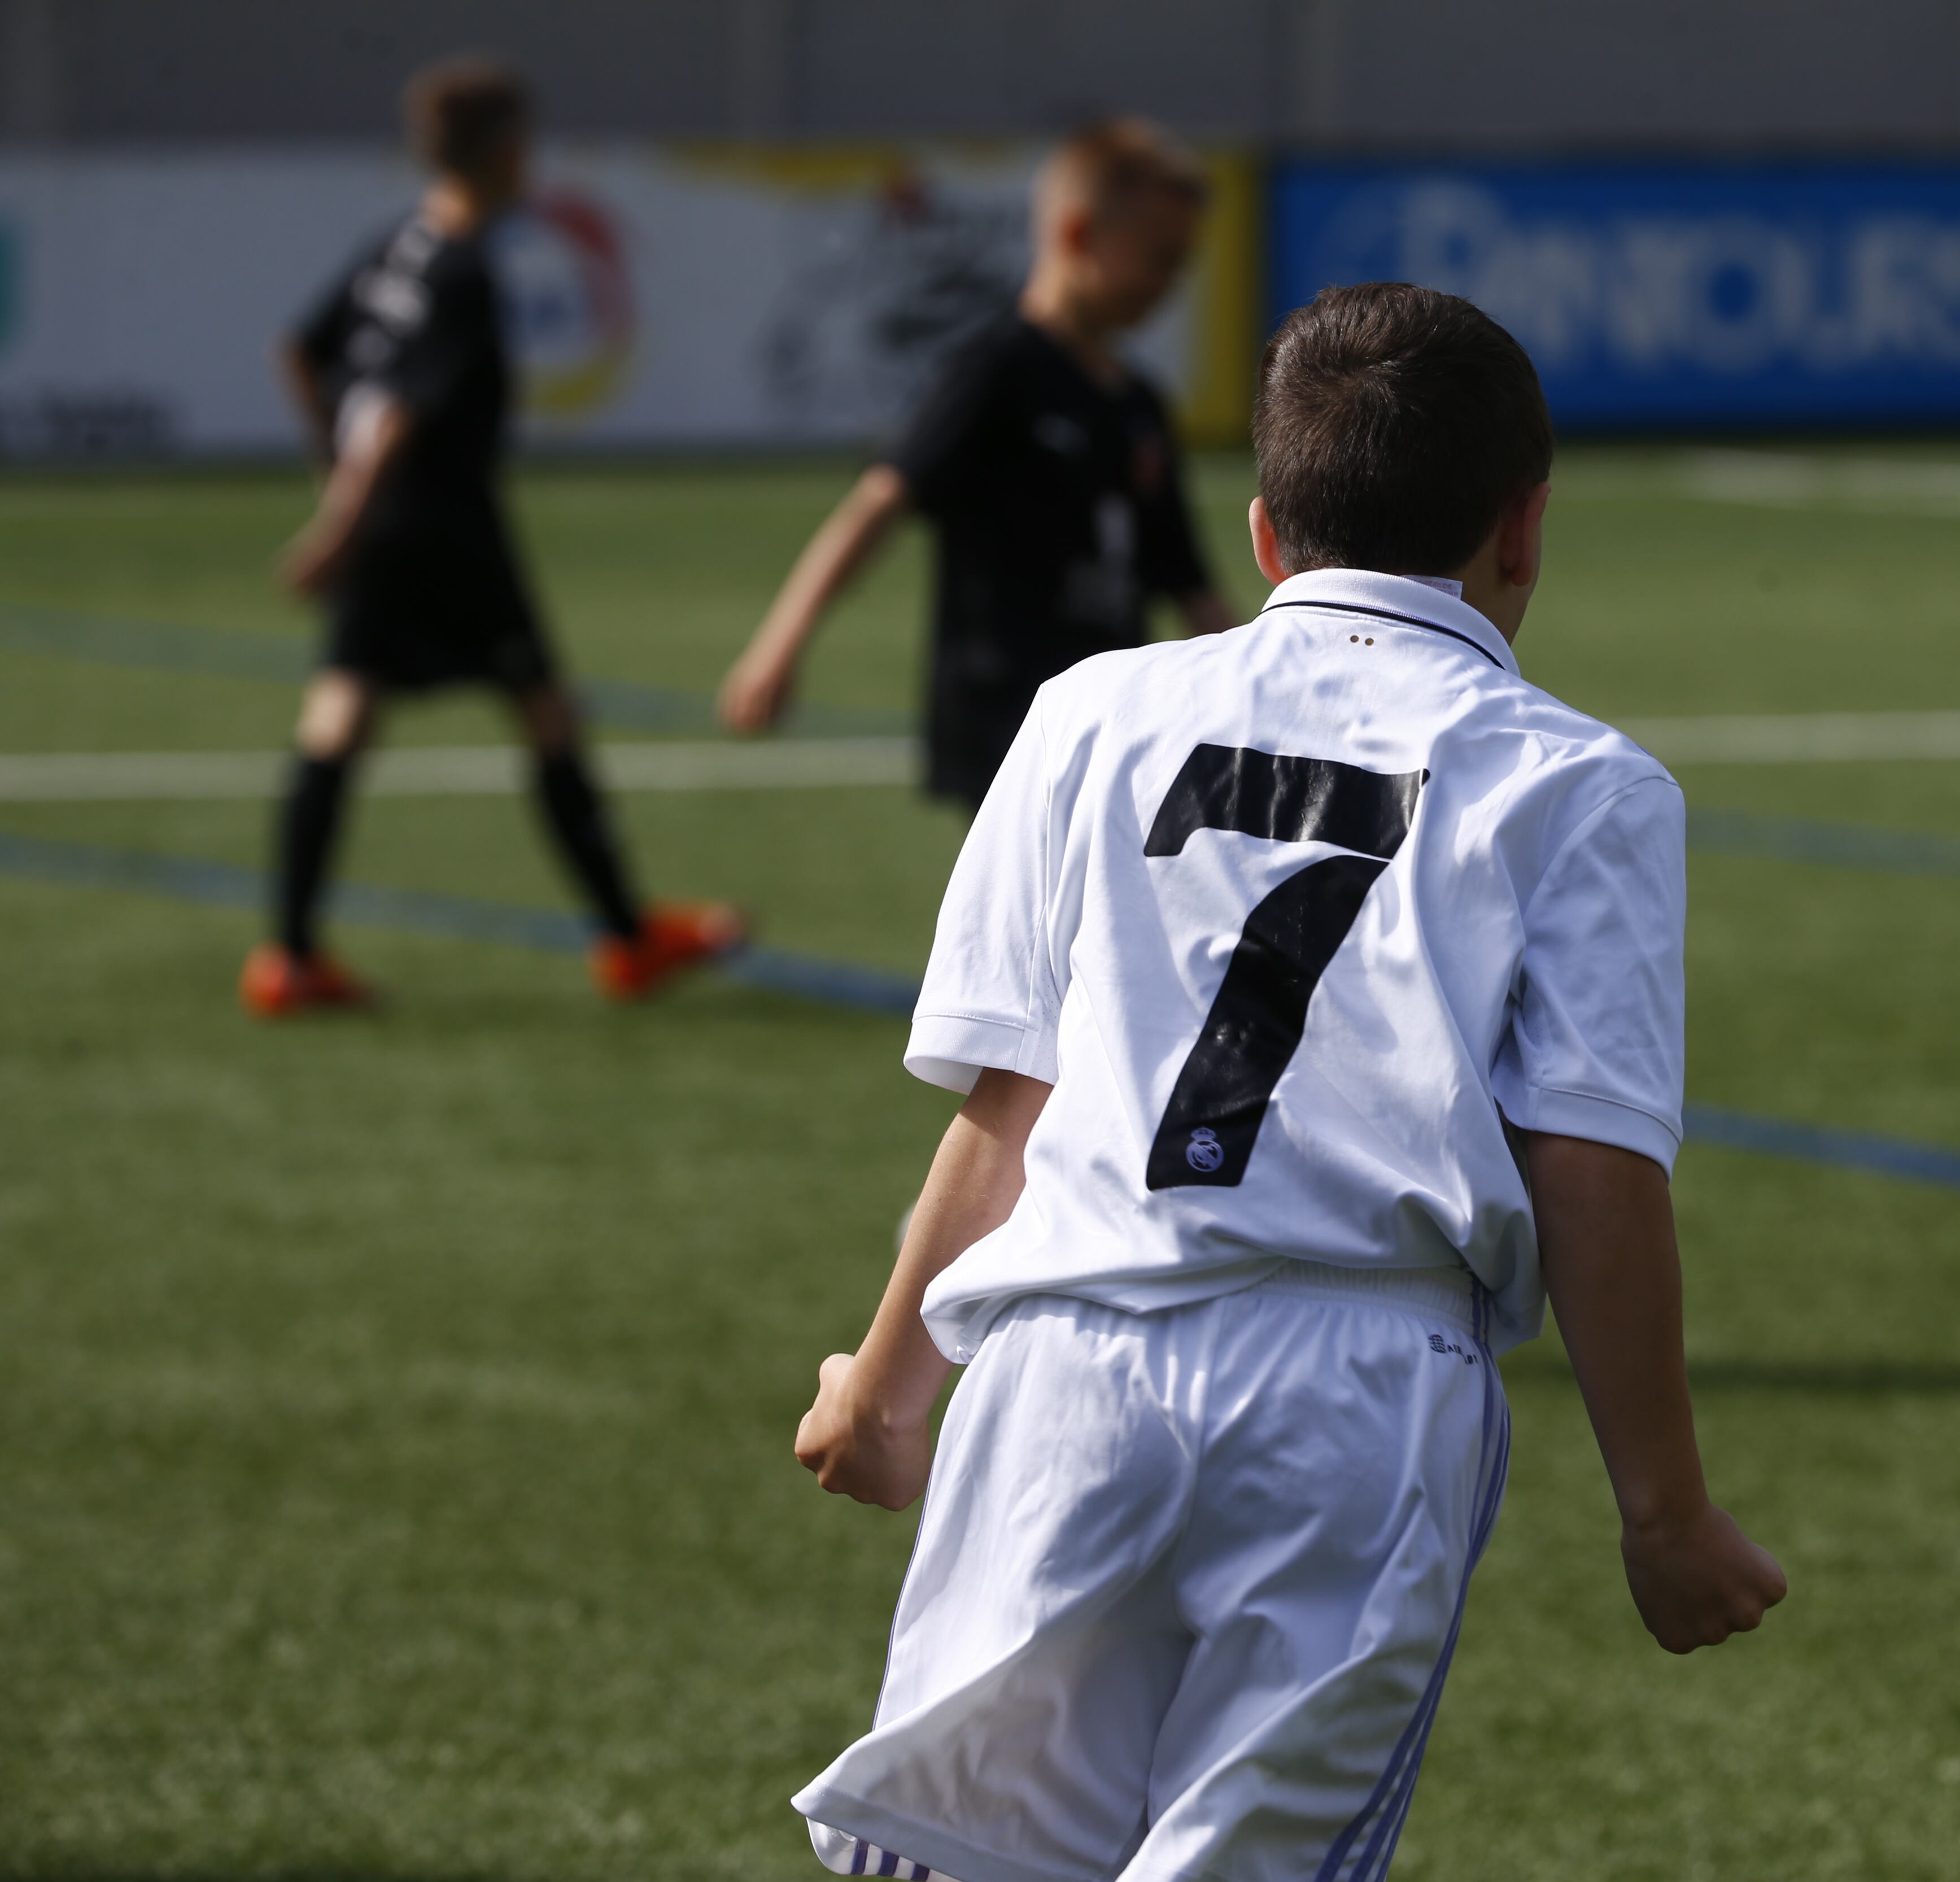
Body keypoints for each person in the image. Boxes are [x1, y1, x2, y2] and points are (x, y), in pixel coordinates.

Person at [785, 283, 1787, 1882]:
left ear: (1262, 533)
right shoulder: (1580, 781)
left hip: (1066, 1366)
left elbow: (1009, 1110)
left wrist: (889, 1383)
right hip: (1359, 1390)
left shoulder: (1091, 711)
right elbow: (1594, 1170)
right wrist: (1664, 1512)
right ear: (1523, 532)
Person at [248, 56, 739, 1015]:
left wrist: (335, 483)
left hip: (391, 522)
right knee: (546, 712)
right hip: (442, 527)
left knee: (341, 719)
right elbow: (396, 415)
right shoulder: (466, 268)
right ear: (511, 152)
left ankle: (288, 955)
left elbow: (301, 354)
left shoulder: (403, 238)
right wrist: (343, 519)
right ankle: (628, 938)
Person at [721, 120, 1236, 805]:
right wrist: (779, 646)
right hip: (1007, 718)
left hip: (1112, 714)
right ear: (1078, 236)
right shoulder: (996, 372)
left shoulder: (1139, 404)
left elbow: (1185, 578)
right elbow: (880, 501)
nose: (1170, 282)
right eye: (1159, 257)